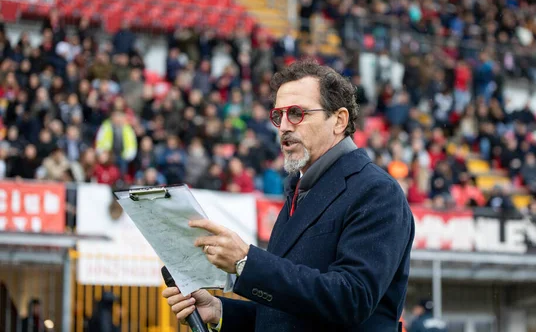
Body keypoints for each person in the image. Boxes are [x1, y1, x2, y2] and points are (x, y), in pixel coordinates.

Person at [162, 60, 415, 331]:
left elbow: (351, 299)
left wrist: (246, 262)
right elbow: (285, 315)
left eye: (296, 113)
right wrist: (221, 311)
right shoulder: (299, 190)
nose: (283, 126)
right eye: (278, 116)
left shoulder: (376, 191)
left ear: (339, 120)